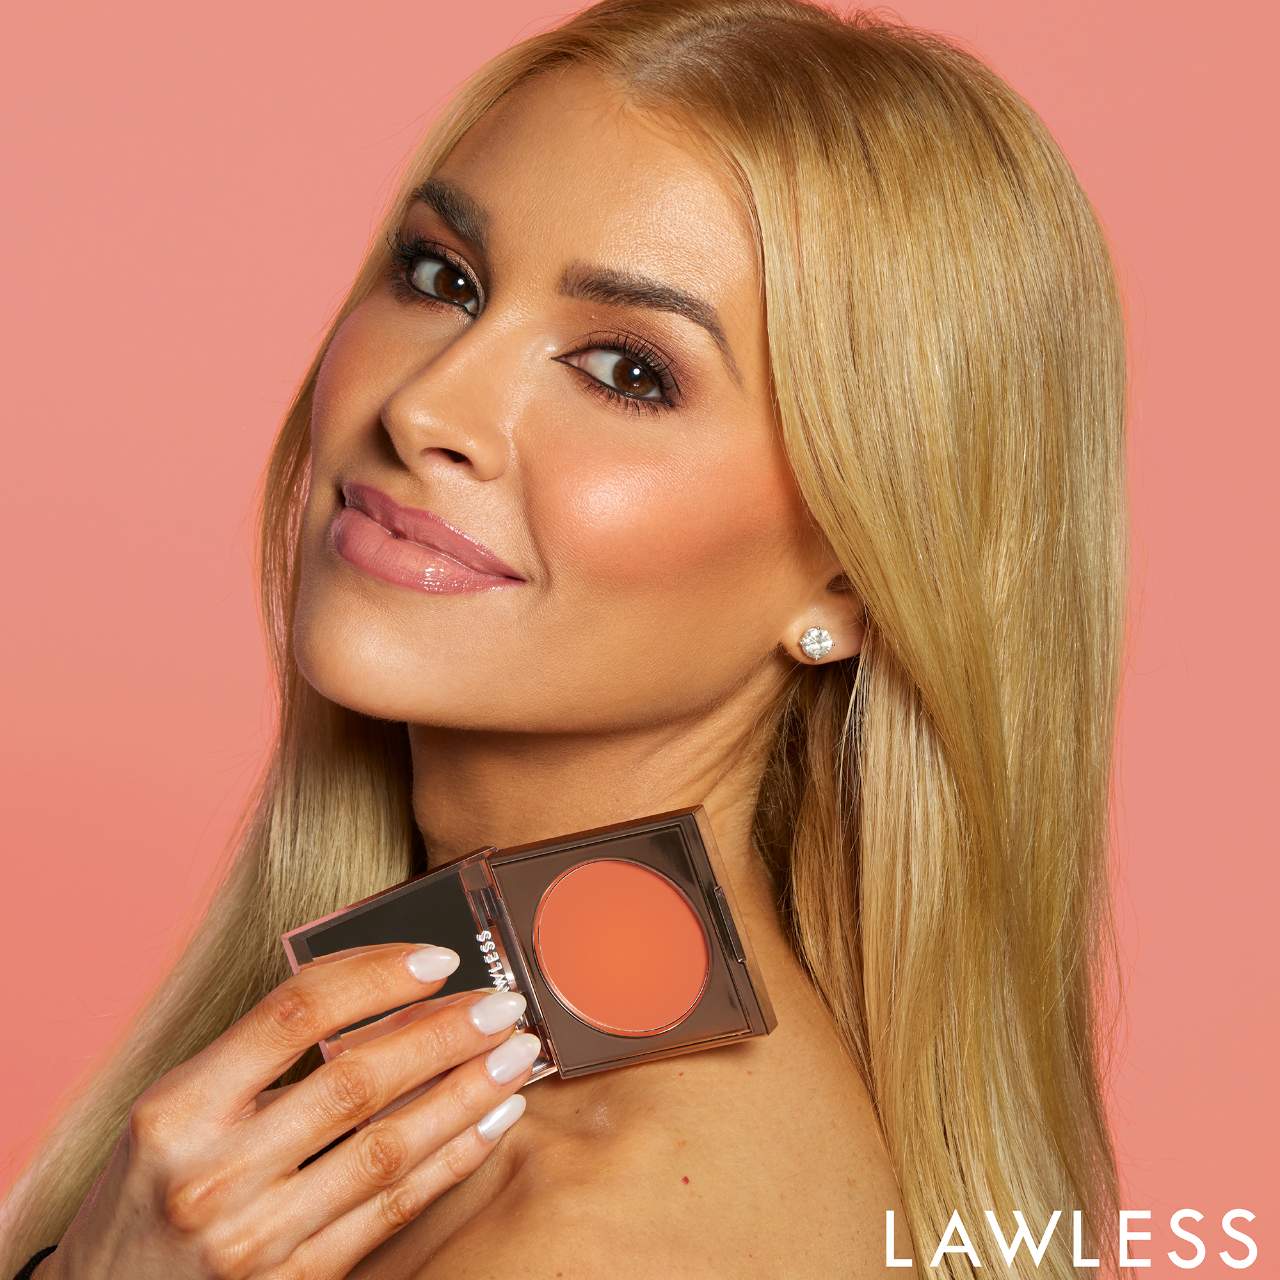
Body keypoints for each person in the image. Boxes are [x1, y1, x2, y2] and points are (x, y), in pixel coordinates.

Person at [0, 0, 1130, 1276]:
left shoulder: (595, 1232)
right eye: (442, 278)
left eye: (626, 370)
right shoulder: (451, 1111)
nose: (425, 405)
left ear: (853, 579)